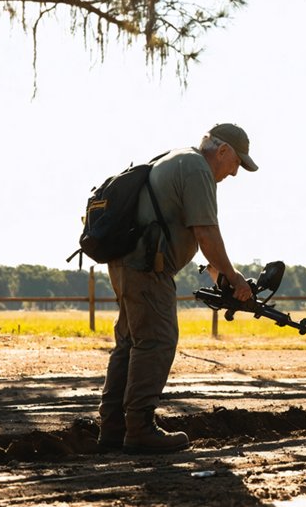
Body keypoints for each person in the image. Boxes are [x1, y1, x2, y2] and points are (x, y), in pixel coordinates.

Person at [97, 123, 256, 454]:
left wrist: (219, 275)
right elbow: (207, 234)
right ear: (223, 151)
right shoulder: (198, 169)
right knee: (157, 341)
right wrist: (235, 277)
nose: (235, 173)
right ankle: (139, 429)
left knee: (130, 342)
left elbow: (192, 236)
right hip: (146, 268)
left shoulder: (179, 159)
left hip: (126, 262)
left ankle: (113, 428)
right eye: (237, 163)